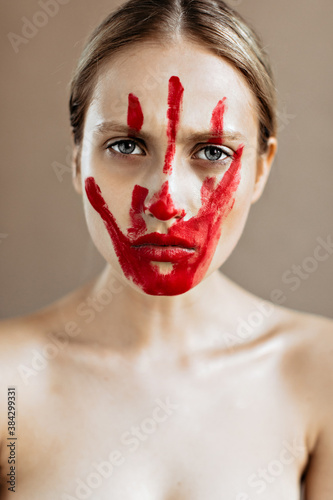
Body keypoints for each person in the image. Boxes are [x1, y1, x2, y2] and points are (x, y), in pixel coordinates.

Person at [0, 0, 332, 498]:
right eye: (127, 146)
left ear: (262, 168)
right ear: (75, 160)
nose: (166, 202)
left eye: (213, 152)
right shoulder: (8, 382)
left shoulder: (320, 372)